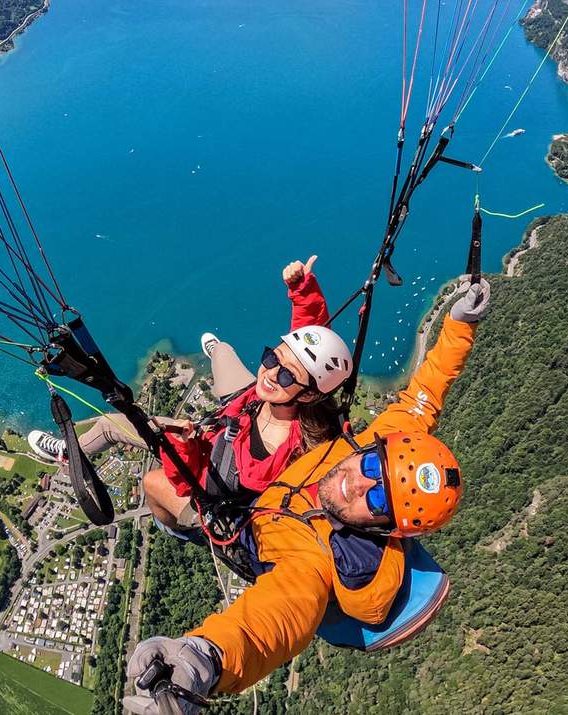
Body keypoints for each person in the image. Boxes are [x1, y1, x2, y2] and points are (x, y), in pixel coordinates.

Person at [123, 276, 492, 714]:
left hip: (244, 533)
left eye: (376, 503)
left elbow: (271, 625)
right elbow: (426, 395)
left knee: (153, 485)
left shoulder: (322, 561)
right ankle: (217, 350)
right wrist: (460, 323)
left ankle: (186, 531)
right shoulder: (386, 445)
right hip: (263, 487)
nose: (357, 484)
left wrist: (202, 659)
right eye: (372, 468)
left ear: (387, 529)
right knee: (221, 366)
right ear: (377, 449)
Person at [27, 256, 351, 535]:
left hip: (212, 488)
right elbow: (311, 347)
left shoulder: (287, 456)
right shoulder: (287, 392)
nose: (270, 372)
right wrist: (302, 288)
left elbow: (201, 481)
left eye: (285, 374)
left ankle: (70, 454)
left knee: (124, 442)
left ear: (308, 396)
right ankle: (217, 355)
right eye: (271, 357)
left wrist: (184, 444)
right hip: (234, 415)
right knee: (223, 351)